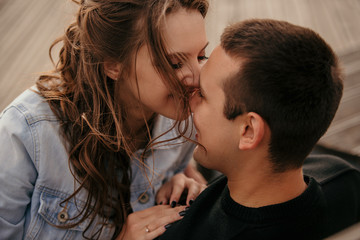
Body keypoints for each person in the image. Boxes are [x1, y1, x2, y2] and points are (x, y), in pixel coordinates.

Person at [0, 0, 210, 239]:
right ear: (113, 65)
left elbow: (176, 170)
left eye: (202, 56)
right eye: (174, 64)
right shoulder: (25, 133)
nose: (199, 78)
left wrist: (178, 182)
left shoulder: (184, 120)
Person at [158, 19, 360, 240]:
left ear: (248, 131)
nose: (190, 102)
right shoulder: (345, 179)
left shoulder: (183, 233)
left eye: (203, 95)